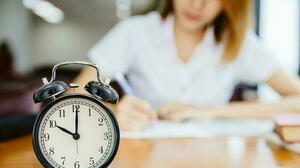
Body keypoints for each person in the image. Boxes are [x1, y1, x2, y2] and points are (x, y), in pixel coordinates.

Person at [76, 0, 300, 131]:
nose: (197, 4)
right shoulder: (134, 33)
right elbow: (73, 97)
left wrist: (209, 112)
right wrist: (113, 114)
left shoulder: (239, 43)